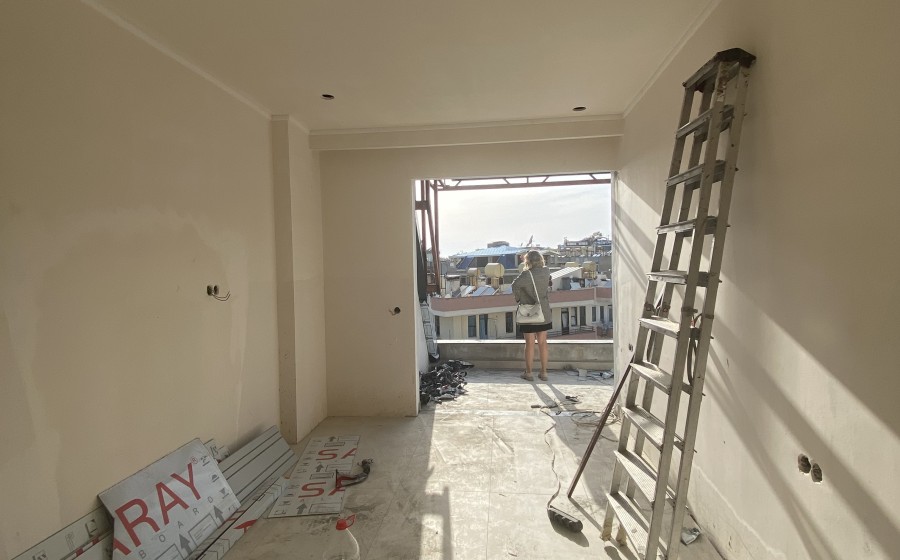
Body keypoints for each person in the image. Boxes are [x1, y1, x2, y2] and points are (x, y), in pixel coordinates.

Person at [512, 250, 552, 381]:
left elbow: (515, 285)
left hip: (529, 313)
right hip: (543, 312)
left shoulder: (526, 274)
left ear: (528, 261)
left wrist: (520, 298)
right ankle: (544, 372)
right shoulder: (546, 271)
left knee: (529, 343)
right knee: (543, 342)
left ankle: (529, 373)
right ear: (541, 259)